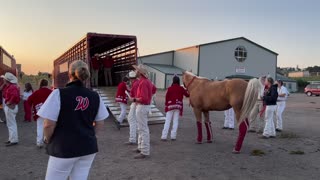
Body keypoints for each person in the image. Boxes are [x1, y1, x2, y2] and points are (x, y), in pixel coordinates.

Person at [37, 60, 109, 180]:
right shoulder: (95, 96)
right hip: (87, 148)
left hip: (63, 148)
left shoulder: (58, 93)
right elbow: (100, 122)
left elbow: (48, 125)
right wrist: (89, 135)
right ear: (86, 76)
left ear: (69, 75)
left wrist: (49, 140)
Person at [130, 64, 156, 159]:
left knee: (143, 129)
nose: (135, 71)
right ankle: (141, 148)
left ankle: (144, 151)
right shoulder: (147, 81)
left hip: (142, 106)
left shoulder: (143, 82)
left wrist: (134, 99)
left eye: (137, 70)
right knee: (141, 128)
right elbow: (154, 90)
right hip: (144, 106)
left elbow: (143, 98)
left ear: (140, 73)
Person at [161, 75, 189, 141]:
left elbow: (167, 97)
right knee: (175, 121)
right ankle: (173, 136)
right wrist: (188, 89)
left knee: (167, 121)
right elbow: (187, 95)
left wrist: (166, 105)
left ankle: (164, 136)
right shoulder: (181, 88)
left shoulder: (170, 88)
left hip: (170, 106)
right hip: (178, 106)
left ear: (173, 81)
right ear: (178, 81)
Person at [27, 79, 52, 148]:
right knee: (48, 126)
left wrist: (32, 107)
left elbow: (29, 100)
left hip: (39, 112)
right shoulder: (51, 92)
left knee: (40, 127)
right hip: (49, 112)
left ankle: (39, 142)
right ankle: (47, 140)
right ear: (47, 84)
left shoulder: (36, 92)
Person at [1, 72, 20, 147]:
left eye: (4, 79)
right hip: (11, 106)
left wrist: (9, 102)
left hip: (10, 106)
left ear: (7, 80)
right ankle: (12, 139)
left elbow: (14, 96)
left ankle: (13, 140)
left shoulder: (11, 87)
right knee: (11, 124)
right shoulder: (11, 86)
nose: (3, 80)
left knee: (11, 124)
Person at [125, 71, 140, 145]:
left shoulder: (135, 84)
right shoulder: (137, 82)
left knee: (131, 119)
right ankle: (135, 137)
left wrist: (130, 97)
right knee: (134, 120)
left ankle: (133, 139)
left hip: (136, 103)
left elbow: (134, 95)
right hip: (138, 103)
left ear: (131, 78)